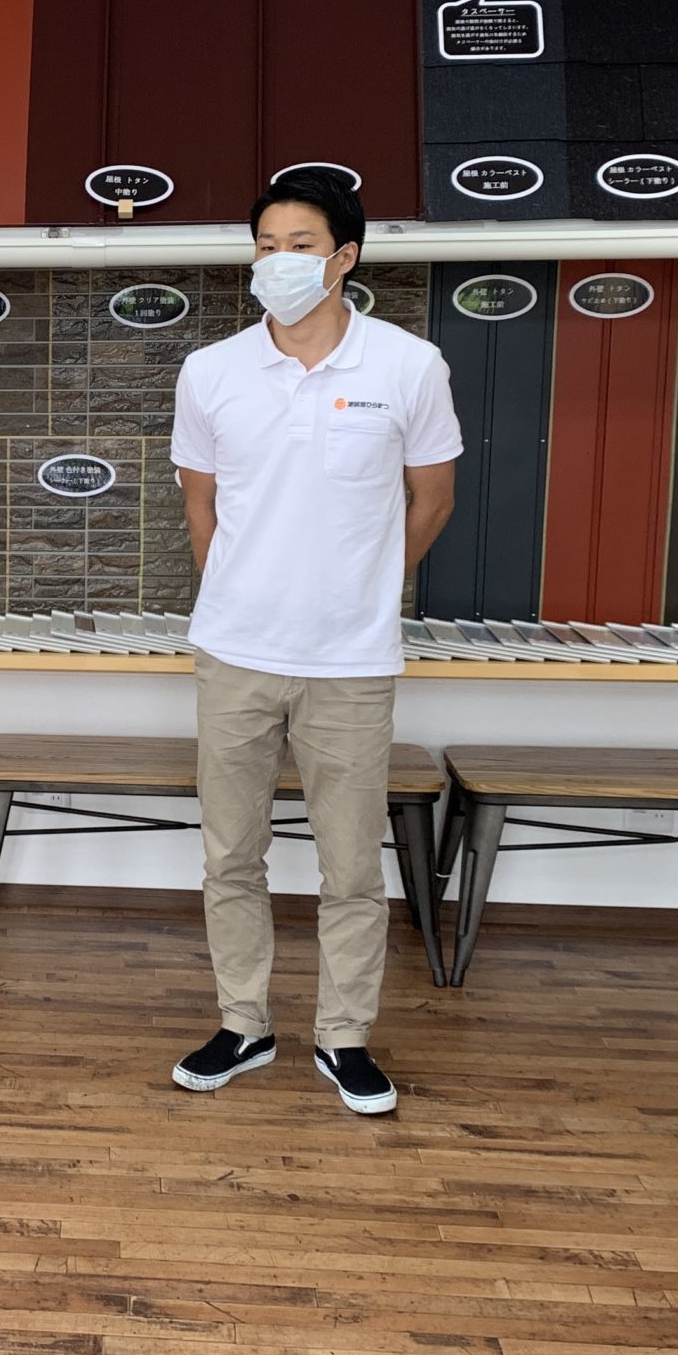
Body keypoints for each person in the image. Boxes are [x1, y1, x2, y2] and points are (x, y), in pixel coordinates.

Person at [166, 169, 461, 1115]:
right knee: (230, 856)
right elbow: (202, 507)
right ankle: (243, 1023)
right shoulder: (212, 371)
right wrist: (240, 594)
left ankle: (345, 1037)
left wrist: (362, 585)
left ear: (345, 258)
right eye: (265, 245)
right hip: (235, 654)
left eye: (300, 245)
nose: (279, 261)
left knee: (351, 867)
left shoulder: (408, 366)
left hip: (350, 663)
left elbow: (433, 499)